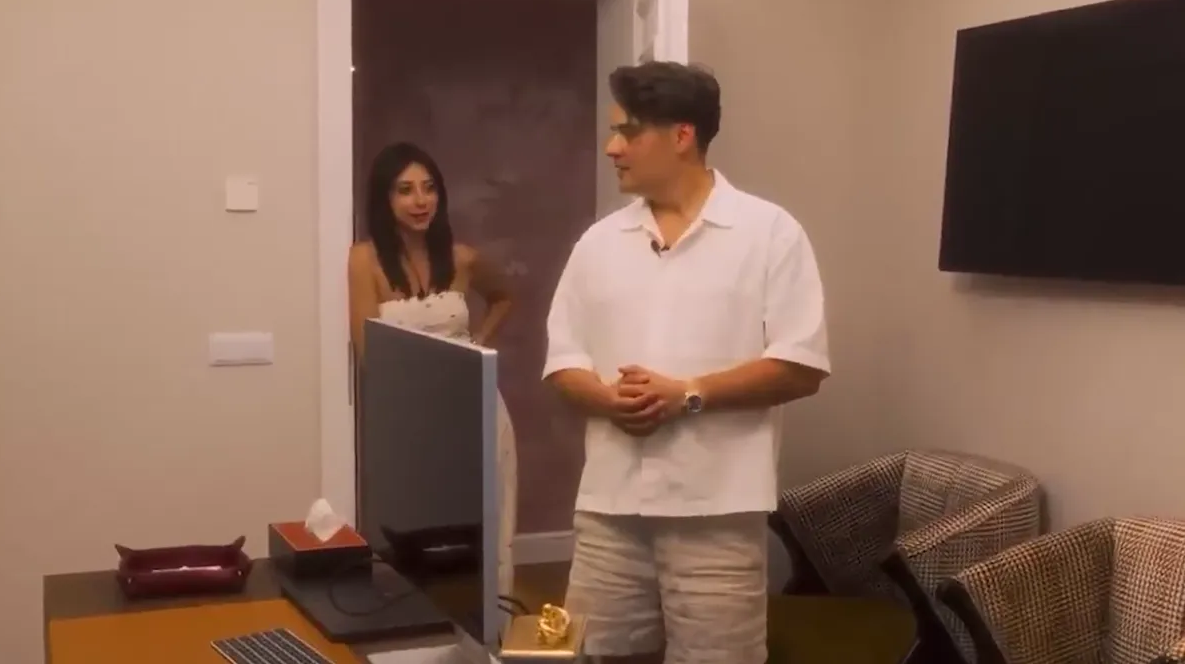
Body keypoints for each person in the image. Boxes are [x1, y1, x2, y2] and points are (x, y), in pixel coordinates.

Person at [543, 62, 831, 664]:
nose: (612, 147)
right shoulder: (598, 243)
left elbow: (801, 364)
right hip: (609, 510)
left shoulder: (770, 234)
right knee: (593, 655)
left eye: (627, 131)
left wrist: (689, 394)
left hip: (717, 513)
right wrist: (607, 400)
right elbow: (563, 363)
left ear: (682, 135)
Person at [347, 141, 518, 599]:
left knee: (488, 529)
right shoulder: (364, 260)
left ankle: (493, 630)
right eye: (405, 190)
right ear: (384, 198)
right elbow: (369, 355)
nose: (420, 200)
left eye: (428, 188)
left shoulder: (462, 257)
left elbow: (504, 296)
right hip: (412, 422)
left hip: (476, 410)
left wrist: (477, 342)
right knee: (418, 543)